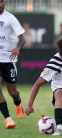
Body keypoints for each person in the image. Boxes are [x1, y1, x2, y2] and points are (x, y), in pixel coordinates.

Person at [0, 0, 26, 129]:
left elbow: (23, 38)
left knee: (13, 92)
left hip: (9, 60)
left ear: (4, 2)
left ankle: (17, 102)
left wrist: (17, 48)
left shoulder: (10, 18)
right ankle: (8, 119)